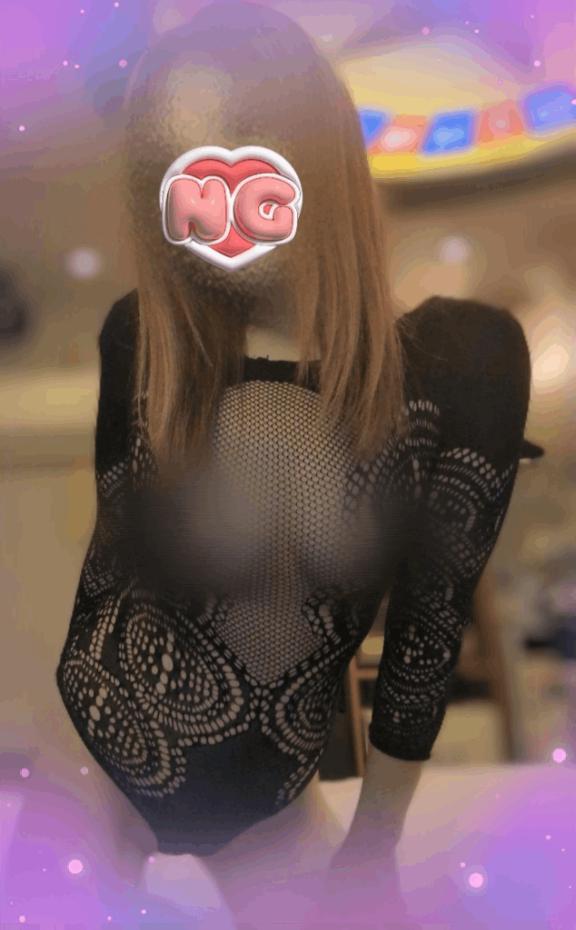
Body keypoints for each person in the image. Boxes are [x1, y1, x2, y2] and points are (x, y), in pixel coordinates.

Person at [54, 2, 532, 927]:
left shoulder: (456, 370)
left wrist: (375, 847)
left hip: (264, 805)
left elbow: (427, 636)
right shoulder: (142, 337)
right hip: (100, 743)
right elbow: (116, 560)